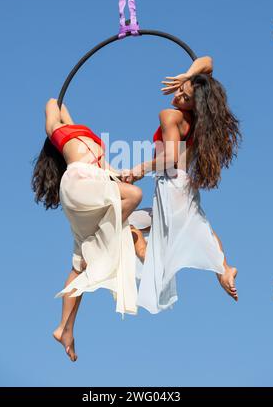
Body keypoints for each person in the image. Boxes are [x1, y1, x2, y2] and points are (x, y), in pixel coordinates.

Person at [123, 56, 242, 314]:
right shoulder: (198, 123)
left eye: (186, 97)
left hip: (171, 185)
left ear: (194, 105)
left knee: (126, 220)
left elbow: (170, 158)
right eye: (180, 91)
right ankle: (223, 269)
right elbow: (207, 62)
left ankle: (146, 250)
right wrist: (187, 76)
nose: (178, 97)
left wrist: (138, 169)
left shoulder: (170, 116)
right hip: (181, 186)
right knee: (197, 226)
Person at [32, 99, 143, 361]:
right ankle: (107, 243)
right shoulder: (59, 134)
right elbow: (54, 106)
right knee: (134, 196)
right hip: (80, 183)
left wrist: (123, 173)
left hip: (96, 184)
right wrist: (57, 106)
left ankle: (65, 329)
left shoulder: (79, 135)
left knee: (80, 265)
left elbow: (110, 172)